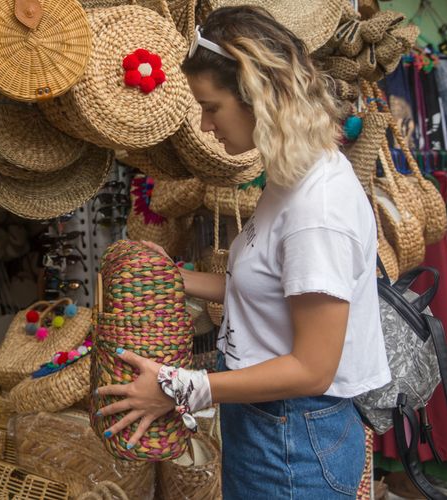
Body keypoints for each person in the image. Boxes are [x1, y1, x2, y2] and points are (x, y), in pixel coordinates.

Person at [96, 6, 391, 499]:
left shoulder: (317, 208)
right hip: (269, 423)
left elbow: (313, 367)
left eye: (212, 107)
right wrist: (170, 275)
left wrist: (184, 387)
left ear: (259, 97)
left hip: (294, 439)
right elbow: (269, 290)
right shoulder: (290, 177)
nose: (207, 126)